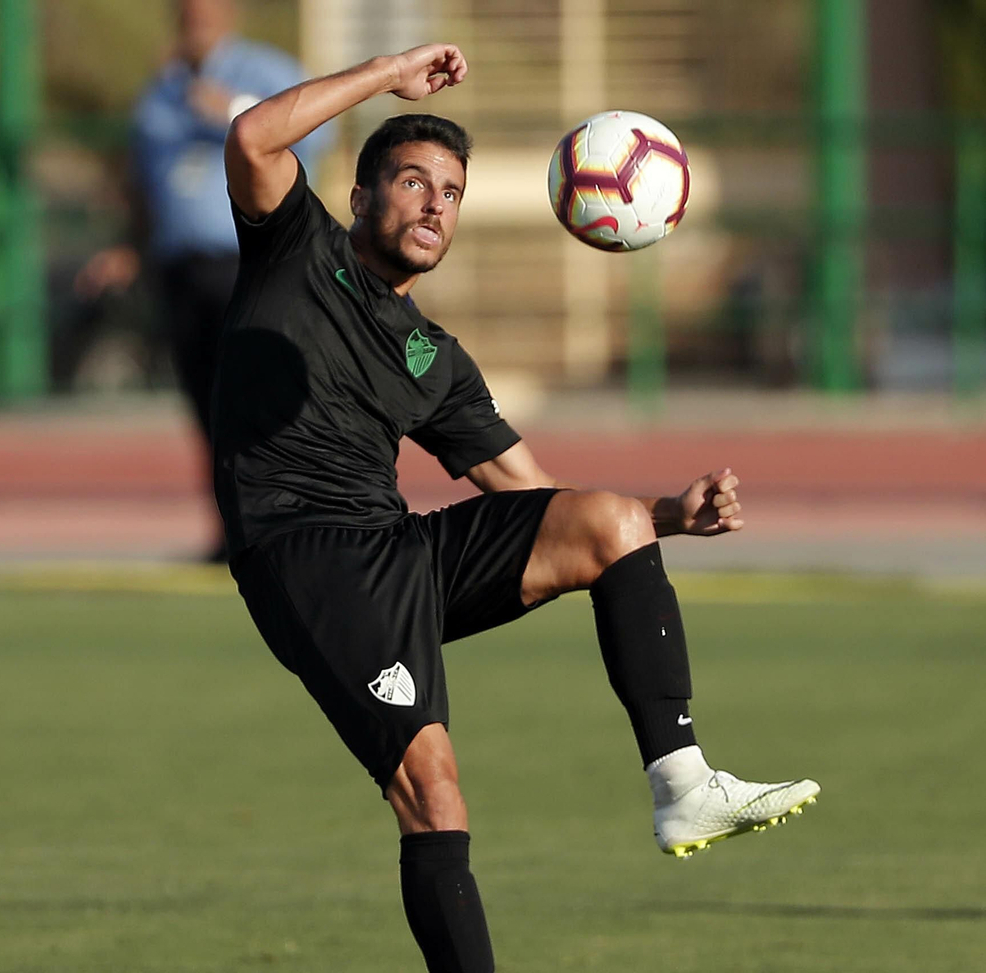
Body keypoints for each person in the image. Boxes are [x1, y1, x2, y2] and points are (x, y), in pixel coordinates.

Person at [212, 44, 819, 972]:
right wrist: (387, 76)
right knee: (434, 789)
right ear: (361, 199)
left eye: (449, 191)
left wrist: (662, 516)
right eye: (410, 181)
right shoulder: (297, 249)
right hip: (304, 557)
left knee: (605, 519)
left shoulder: (437, 358)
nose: (432, 203)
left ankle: (683, 783)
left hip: (396, 545)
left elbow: (534, 496)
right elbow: (253, 134)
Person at [76, 0, 332, 560]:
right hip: (180, 268)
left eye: (207, 12)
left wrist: (239, 113)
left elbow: (319, 138)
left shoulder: (264, 72)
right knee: (207, 405)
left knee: (263, 395)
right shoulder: (160, 92)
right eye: (188, 13)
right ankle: (233, 532)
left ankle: (289, 524)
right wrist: (128, 246)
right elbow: (145, 183)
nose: (197, 22)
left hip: (247, 259)